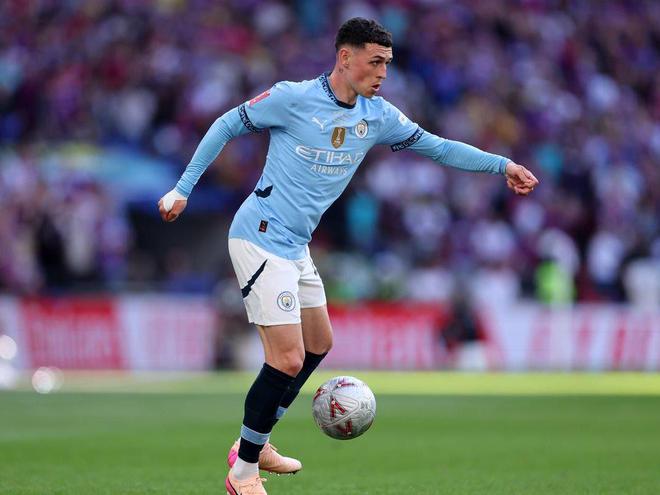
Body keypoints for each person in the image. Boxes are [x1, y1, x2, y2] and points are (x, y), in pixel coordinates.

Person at [158, 17, 538, 495]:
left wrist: (503, 165)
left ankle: (255, 441)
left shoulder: (378, 116)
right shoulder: (293, 98)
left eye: (388, 64)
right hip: (260, 235)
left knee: (318, 344)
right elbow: (227, 123)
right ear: (345, 57)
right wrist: (182, 188)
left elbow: (439, 148)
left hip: (295, 245)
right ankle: (243, 474)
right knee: (288, 358)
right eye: (375, 62)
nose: (383, 73)